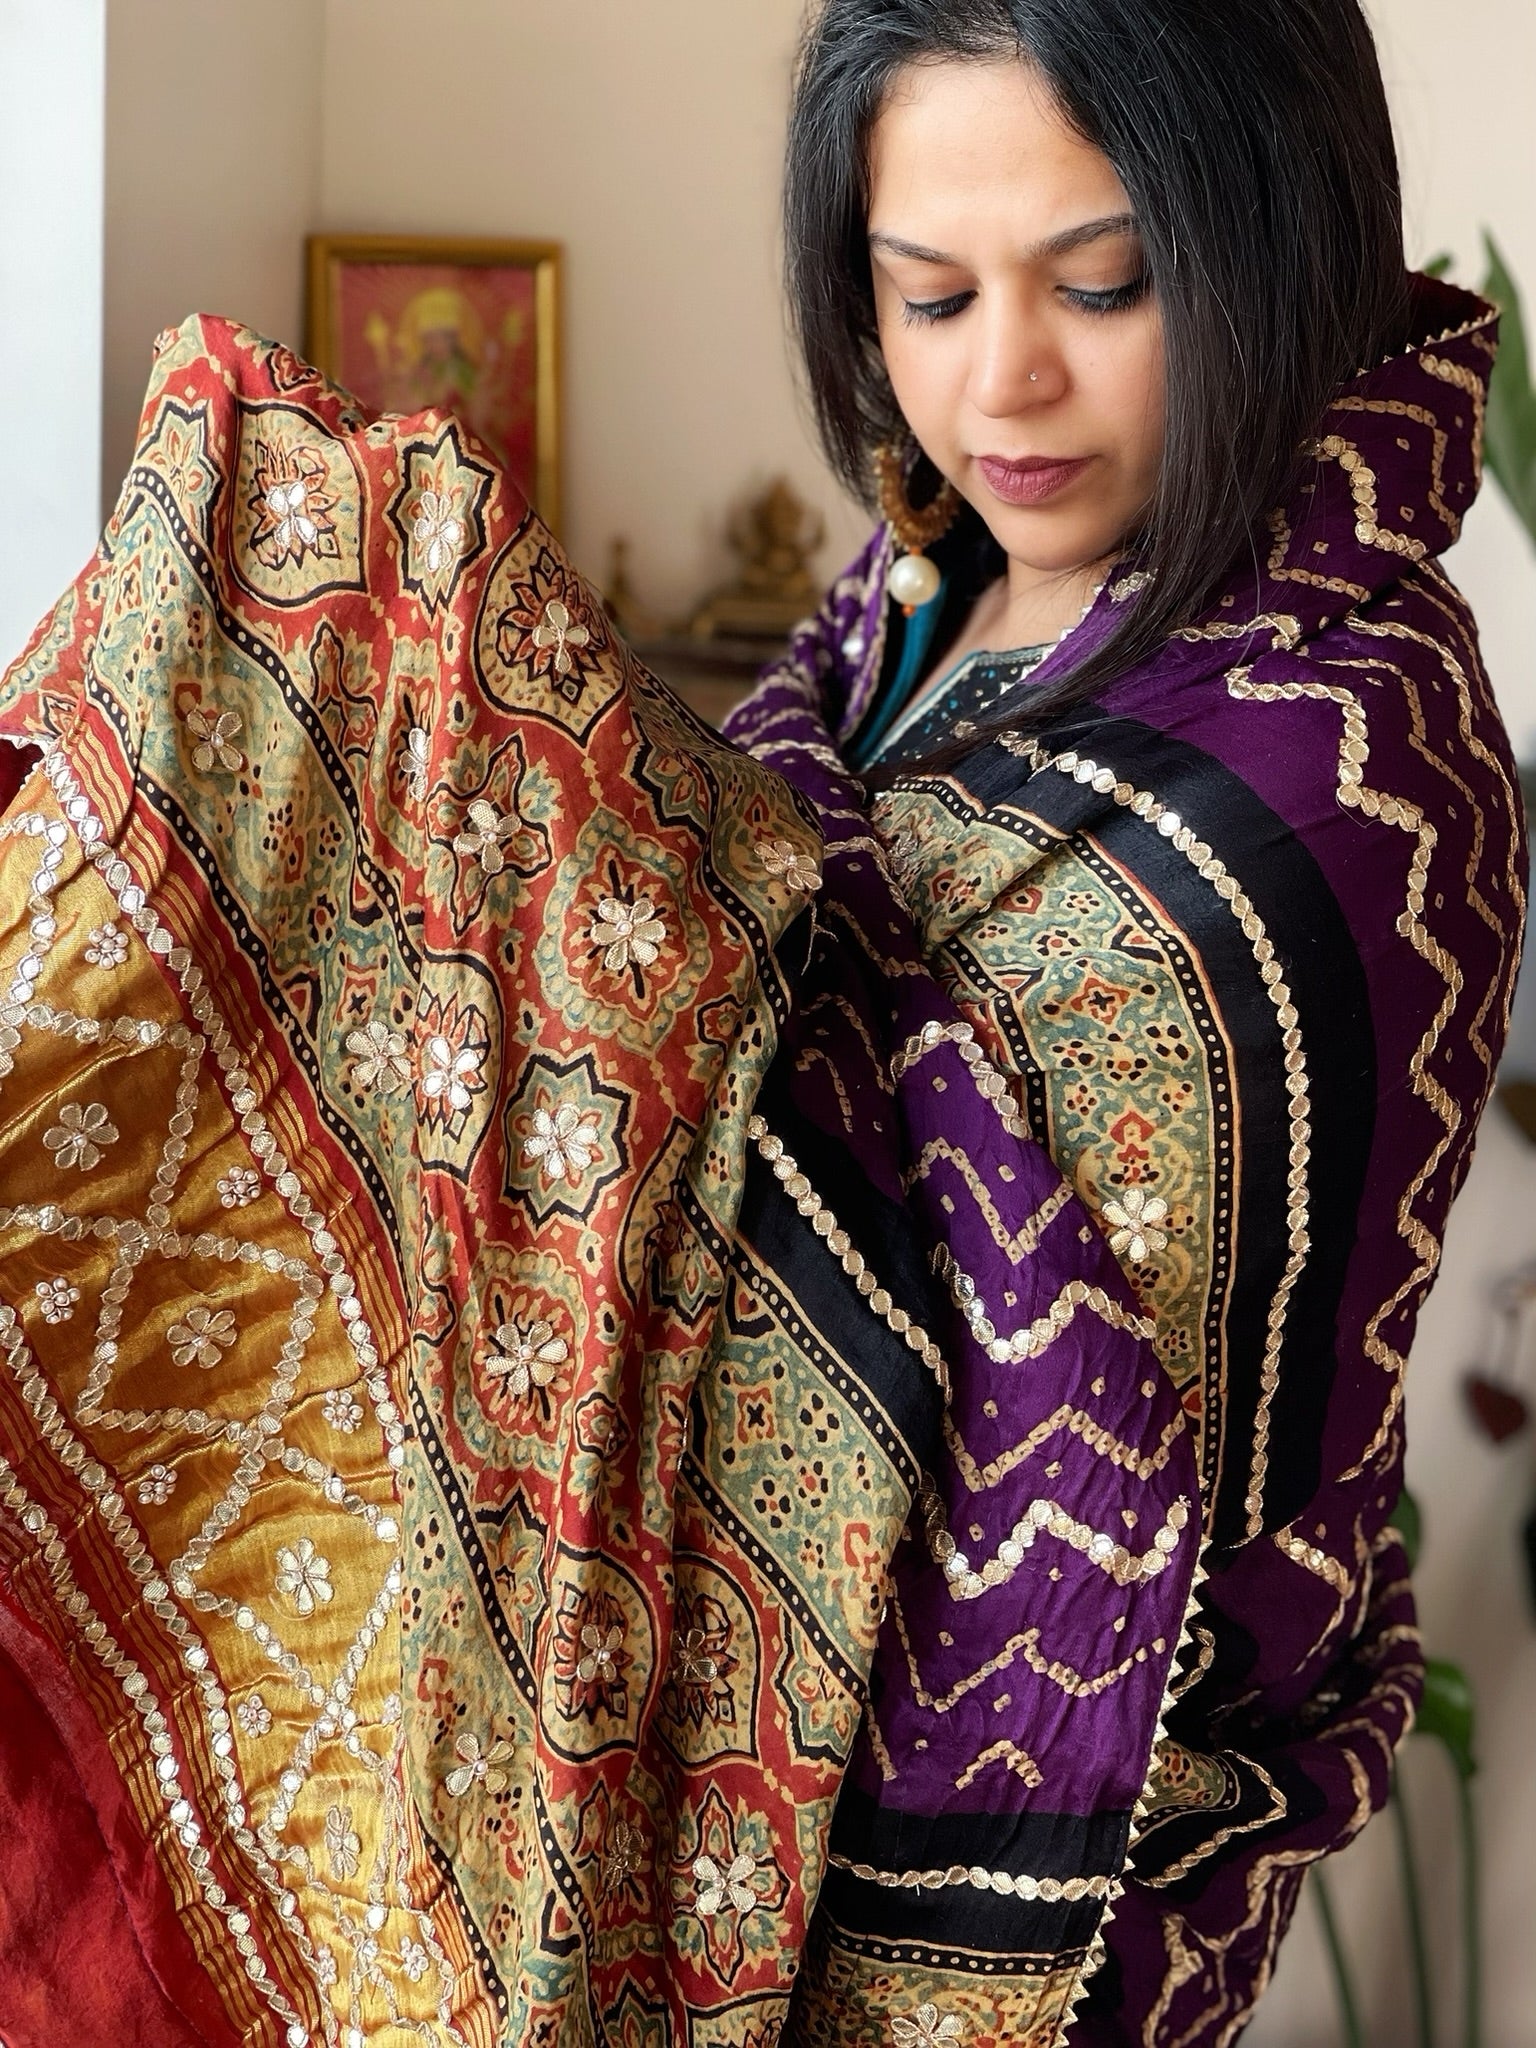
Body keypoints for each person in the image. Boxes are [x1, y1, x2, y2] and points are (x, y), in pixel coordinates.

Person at [0, 9, 1522, 2048]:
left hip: (1046, 1905)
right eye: (928, 292)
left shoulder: (1353, 768)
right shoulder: (928, 581)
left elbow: (862, 1138)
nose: (1008, 379)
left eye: (1105, 281)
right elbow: (763, 922)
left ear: (1279, 238)